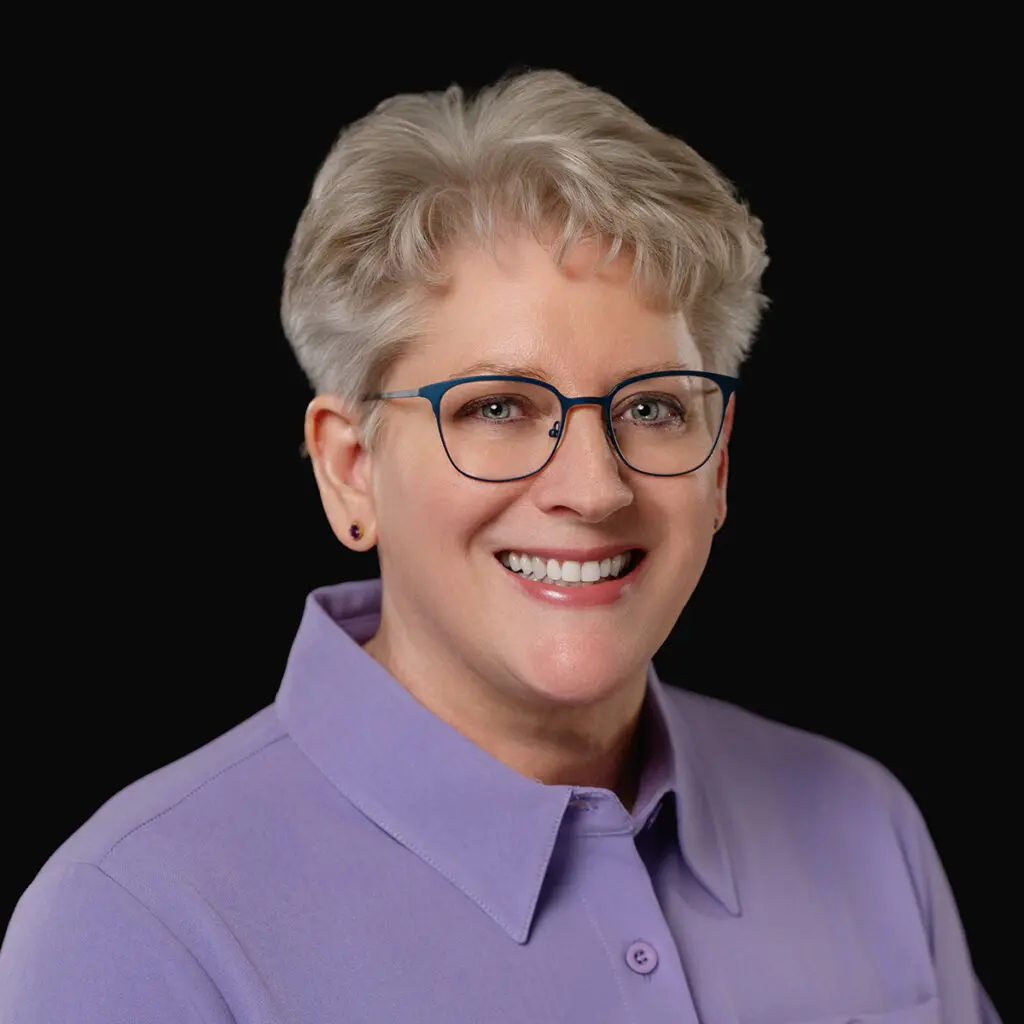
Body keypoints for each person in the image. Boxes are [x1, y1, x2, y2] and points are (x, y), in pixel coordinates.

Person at [0, 70, 1001, 1024]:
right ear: (350, 468)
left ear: (721, 462)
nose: (593, 488)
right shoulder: (142, 925)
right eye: (497, 408)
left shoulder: (864, 826)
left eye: (653, 407)